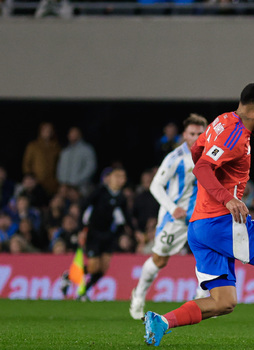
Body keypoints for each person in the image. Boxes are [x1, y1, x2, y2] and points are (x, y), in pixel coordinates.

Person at [143, 82, 254, 346]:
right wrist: (227, 198)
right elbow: (203, 168)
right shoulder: (236, 134)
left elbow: (197, 152)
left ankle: (161, 321)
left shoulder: (222, 121)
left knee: (223, 302)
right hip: (220, 221)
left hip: (199, 226)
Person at [130, 114, 208, 320]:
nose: (196, 137)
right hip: (175, 218)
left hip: (201, 215)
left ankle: (204, 298)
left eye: (200, 133)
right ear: (185, 135)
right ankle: (138, 296)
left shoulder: (212, 154)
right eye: (192, 133)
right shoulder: (175, 158)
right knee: (160, 259)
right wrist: (172, 208)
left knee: (209, 253)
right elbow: (155, 185)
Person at [61, 167, 136, 301]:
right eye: (118, 176)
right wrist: (81, 229)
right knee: (94, 267)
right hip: (93, 233)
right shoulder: (99, 192)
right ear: (110, 178)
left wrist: (134, 231)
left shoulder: (121, 197)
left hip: (108, 235)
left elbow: (126, 216)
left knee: (103, 267)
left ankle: (84, 292)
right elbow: (84, 206)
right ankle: (69, 276)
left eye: (123, 177)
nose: (121, 180)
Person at [22, 122, 61, 195]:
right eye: (45, 129)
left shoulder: (56, 148)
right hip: (36, 182)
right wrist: (30, 177)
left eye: (49, 130)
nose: (47, 132)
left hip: (52, 184)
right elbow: (26, 163)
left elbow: (60, 165)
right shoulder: (33, 146)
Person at [56, 127, 97, 196]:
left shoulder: (87, 150)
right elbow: (60, 167)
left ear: (80, 135)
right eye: (71, 133)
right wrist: (62, 181)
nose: (73, 135)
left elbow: (90, 168)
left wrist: (76, 182)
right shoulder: (65, 151)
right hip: (64, 187)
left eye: (75, 133)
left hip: (80, 187)